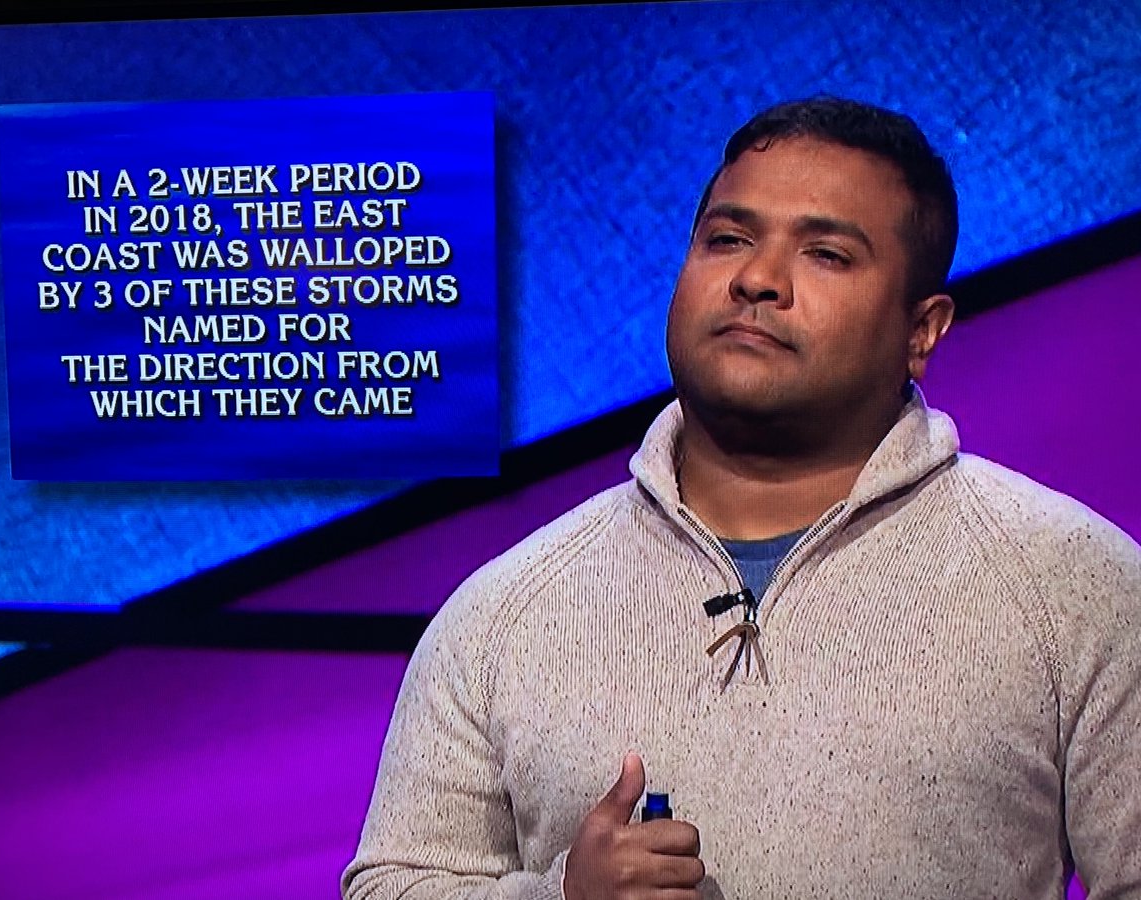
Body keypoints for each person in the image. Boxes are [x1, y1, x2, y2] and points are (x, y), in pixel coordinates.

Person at [342, 97, 1141, 899]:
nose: (757, 279)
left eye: (826, 254)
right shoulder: (501, 612)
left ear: (922, 330)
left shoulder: (1072, 586)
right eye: (727, 240)